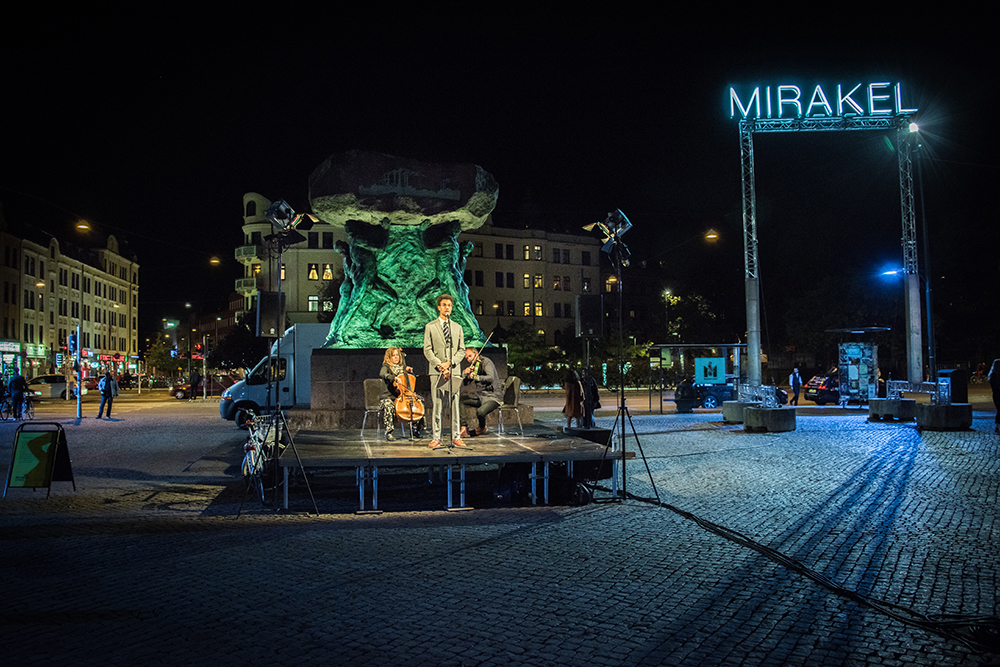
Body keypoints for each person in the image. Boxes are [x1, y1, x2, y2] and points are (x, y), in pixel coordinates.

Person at [423, 294, 465, 449]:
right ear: (439, 307)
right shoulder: (430, 327)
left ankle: (456, 437)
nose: (447, 307)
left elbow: (461, 350)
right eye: (444, 305)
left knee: (454, 405)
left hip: (454, 370)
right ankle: (436, 437)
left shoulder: (458, 327)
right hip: (437, 371)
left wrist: (451, 363)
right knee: (437, 405)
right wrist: (440, 365)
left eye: (449, 305)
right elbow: (427, 350)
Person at [379, 347, 425, 441]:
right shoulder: (386, 367)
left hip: (402, 397)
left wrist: (408, 372)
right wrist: (393, 377)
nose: (396, 357)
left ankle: (416, 430)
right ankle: (389, 432)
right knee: (389, 405)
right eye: (393, 356)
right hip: (388, 397)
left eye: (397, 355)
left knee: (417, 404)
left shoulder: (403, 368)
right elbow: (383, 374)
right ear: (389, 357)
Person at [460, 346, 502, 437]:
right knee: (462, 400)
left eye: (470, 356)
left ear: (476, 353)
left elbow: (490, 377)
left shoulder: (486, 362)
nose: (469, 359)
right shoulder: (474, 366)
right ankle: (464, 427)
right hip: (481, 396)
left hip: (493, 397)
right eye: (467, 358)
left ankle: (482, 428)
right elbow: (466, 383)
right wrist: (465, 373)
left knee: (480, 412)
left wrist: (476, 377)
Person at [989, 359, 1000, 435]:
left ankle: (997, 426)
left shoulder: (992, 375)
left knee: (999, 410)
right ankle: (997, 426)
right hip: (998, 394)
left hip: (996, 394)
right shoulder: (995, 376)